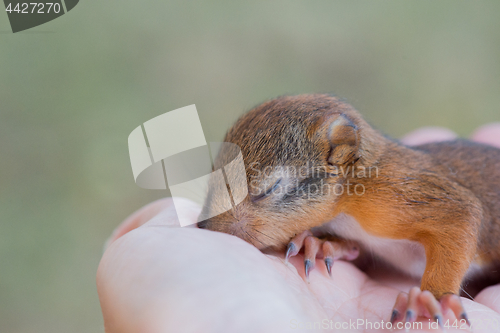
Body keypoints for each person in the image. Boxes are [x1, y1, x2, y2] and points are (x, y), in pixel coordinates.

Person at [97, 125, 500, 333]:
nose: (218, 226)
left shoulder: (386, 192)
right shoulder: (335, 209)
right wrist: (332, 242)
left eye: (266, 192)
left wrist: (436, 295)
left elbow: (461, 216)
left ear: (340, 158)